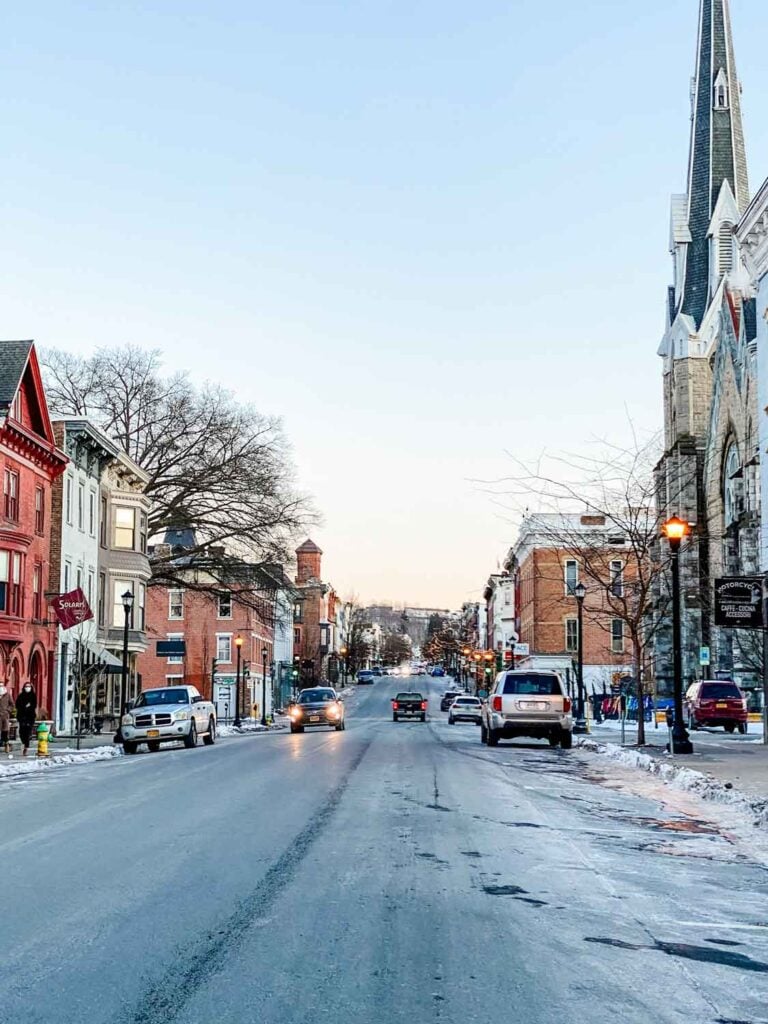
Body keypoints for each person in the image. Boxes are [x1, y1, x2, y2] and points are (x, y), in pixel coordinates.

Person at [15, 683, 36, 757]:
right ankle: (24, 742)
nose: (27, 688)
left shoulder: (33, 696)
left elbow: (34, 705)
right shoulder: (21, 696)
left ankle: (26, 747)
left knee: (27, 732)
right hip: (21, 716)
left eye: (29, 686)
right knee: (21, 732)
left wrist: (28, 707)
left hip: (30, 717)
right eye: (26, 686)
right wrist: (25, 706)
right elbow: (17, 705)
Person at [0, 683, 12, 754]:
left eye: (1, 685)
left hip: (5, 716)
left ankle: (6, 744)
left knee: (5, 731)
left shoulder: (7, 695)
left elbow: (12, 704)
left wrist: (7, 710)